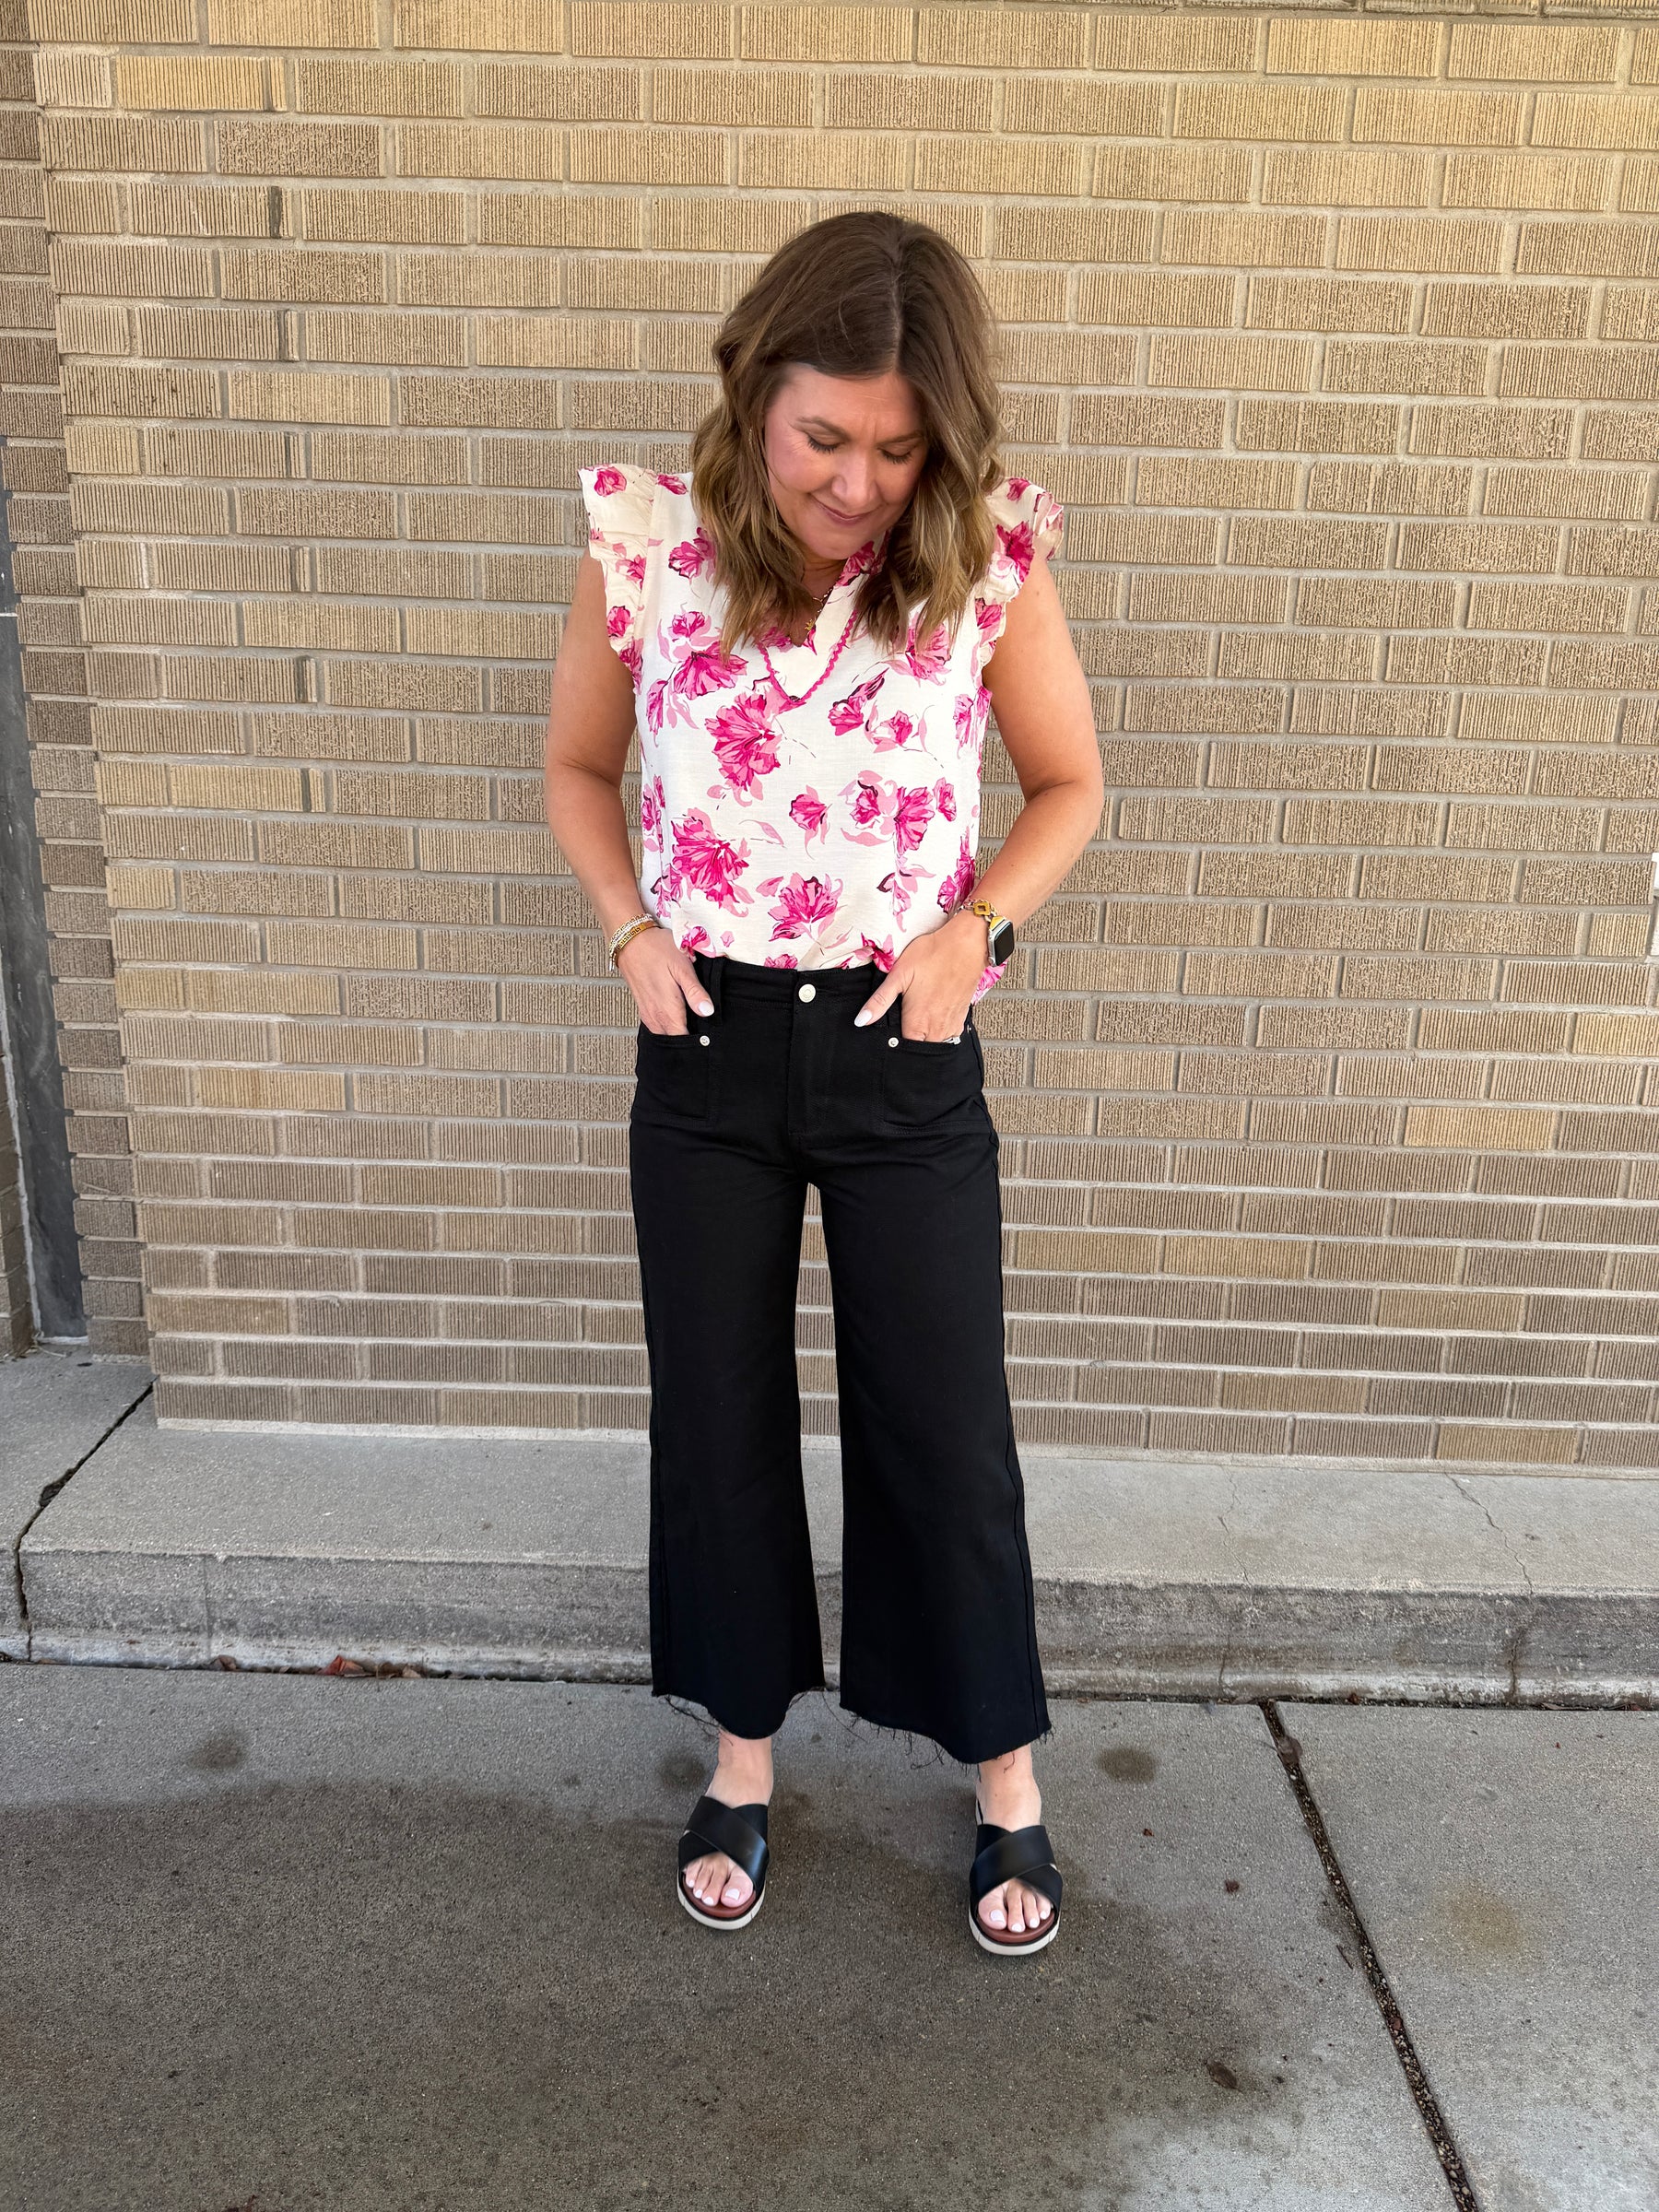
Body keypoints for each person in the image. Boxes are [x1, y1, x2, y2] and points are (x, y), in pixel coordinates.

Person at [544, 210, 1102, 1955]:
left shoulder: (988, 556)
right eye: (824, 439)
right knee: (716, 1422)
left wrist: (973, 946)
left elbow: (1072, 783)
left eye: (897, 448)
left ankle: (1005, 1787)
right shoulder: (646, 545)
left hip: (899, 1049)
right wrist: (631, 932)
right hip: (703, 1054)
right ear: (755, 395)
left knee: (945, 1427)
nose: (858, 483)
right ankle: (741, 1761)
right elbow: (572, 762)